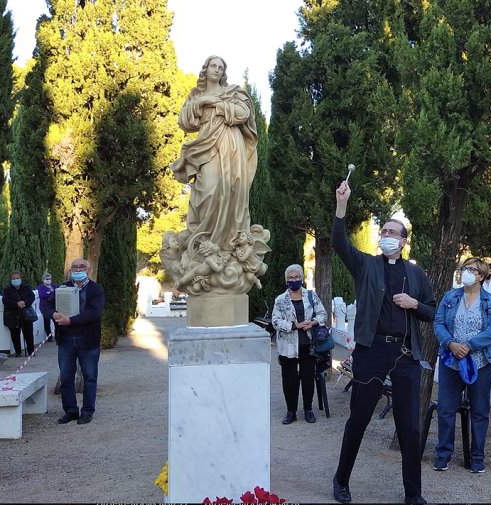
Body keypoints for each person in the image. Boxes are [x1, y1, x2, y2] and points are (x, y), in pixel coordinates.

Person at [331, 180, 436, 505]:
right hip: (371, 351)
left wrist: (414, 305)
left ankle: (413, 494)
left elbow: (431, 310)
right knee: (359, 419)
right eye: (385, 232)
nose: (386, 236)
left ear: (404, 242)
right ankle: (341, 480)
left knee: (409, 428)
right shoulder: (366, 265)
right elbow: (339, 244)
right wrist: (342, 205)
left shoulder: (416, 275)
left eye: (393, 233)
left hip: (405, 355)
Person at [171, 55, 258, 250]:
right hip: (206, 146)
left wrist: (216, 104)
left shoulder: (232, 92)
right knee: (208, 189)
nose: (217, 69)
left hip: (230, 144)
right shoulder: (196, 96)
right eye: (213, 66)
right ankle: (203, 240)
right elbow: (185, 122)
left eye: (221, 67)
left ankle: (226, 245)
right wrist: (203, 100)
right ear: (206, 69)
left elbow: (243, 113)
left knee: (229, 188)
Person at [433, 258, 491, 475]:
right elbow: (439, 323)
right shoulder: (450, 297)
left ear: (481, 276)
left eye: (471, 269)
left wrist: (470, 346)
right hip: (451, 362)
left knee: (480, 410)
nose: (466, 273)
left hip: (481, 363)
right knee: (445, 408)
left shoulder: (490, 302)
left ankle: (477, 457)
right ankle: (443, 454)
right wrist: (451, 344)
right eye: (465, 269)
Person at [41, 258, 104, 425]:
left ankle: (87, 411)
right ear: (70, 270)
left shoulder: (96, 289)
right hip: (66, 340)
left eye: (82, 267)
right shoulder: (62, 288)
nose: (78, 269)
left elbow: (93, 313)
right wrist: (54, 315)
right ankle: (71, 410)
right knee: (66, 377)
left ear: (88, 270)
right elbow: (46, 306)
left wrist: (71, 321)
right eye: (75, 267)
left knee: (90, 377)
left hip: (88, 340)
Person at [271, 264, 328, 425]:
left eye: (296, 277)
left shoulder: (311, 296)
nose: (293, 280)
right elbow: (275, 321)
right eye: (290, 278)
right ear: (286, 280)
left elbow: (323, 313)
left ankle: (308, 410)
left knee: (308, 378)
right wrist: (294, 325)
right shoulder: (280, 300)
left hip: (308, 345)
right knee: (289, 380)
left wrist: (314, 322)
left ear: (302, 278)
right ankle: (291, 411)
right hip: (288, 347)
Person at [1, 271, 35, 358]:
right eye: (13, 278)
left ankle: (31, 351)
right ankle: (18, 352)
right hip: (13, 315)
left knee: (28, 334)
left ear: (20, 279)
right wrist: (16, 304)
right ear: (10, 280)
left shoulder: (26, 288)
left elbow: (32, 297)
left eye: (17, 278)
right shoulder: (7, 290)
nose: (16, 280)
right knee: (15, 335)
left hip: (25, 314)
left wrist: (25, 302)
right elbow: (5, 301)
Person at [37, 272, 55, 340]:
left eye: (50, 279)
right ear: (43, 280)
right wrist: (51, 293)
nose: (48, 280)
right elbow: (43, 295)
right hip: (44, 306)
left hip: (53, 306)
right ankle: (49, 337)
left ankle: (58, 335)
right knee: (47, 321)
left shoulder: (54, 286)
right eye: (47, 279)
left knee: (56, 321)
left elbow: (56, 294)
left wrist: (50, 293)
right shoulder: (40, 287)